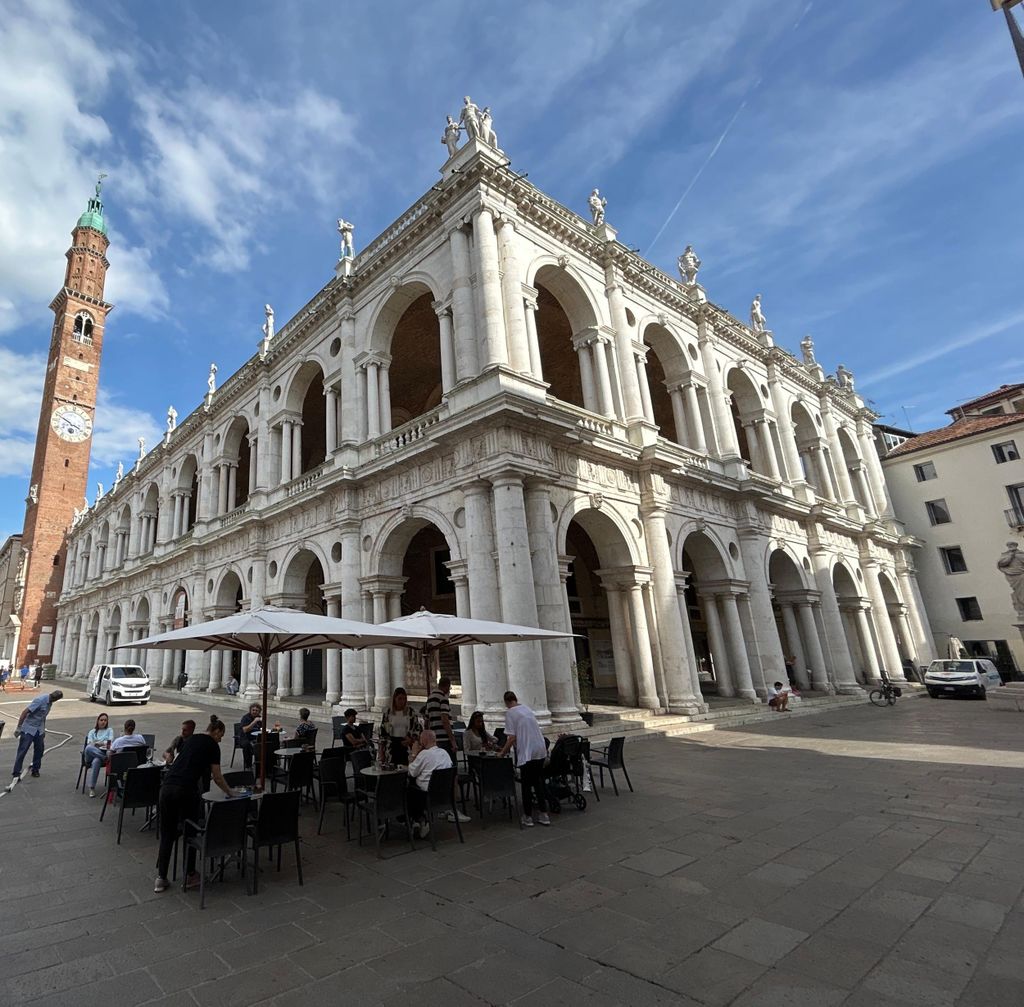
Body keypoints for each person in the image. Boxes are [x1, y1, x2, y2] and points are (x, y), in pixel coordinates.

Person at [153, 716, 237, 894]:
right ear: (215, 731)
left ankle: (160, 878)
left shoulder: (191, 740)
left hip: (167, 787)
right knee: (190, 831)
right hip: (186, 789)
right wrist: (230, 792)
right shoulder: (212, 746)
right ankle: (190, 874)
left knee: (167, 832)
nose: (221, 739)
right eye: (221, 735)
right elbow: (217, 776)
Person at [497, 691, 550, 827]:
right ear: (515, 699)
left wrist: (502, 753)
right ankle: (543, 814)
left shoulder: (510, 713)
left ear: (506, 702)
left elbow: (512, 737)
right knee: (537, 782)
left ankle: (527, 816)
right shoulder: (526, 708)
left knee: (526, 784)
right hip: (540, 748)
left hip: (527, 751)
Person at [406, 729, 454, 838]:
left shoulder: (424, 754)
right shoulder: (444, 752)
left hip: (427, 796)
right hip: (444, 795)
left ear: (423, 741)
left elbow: (411, 772)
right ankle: (419, 820)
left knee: (407, 790)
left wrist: (413, 753)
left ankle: (419, 820)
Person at [10, 689, 63, 780]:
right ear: (52, 696)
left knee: (39, 749)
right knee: (23, 750)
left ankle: (35, 769)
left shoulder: (50, 702)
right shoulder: (40, 700)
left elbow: (43, 717)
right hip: (29, 728)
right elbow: (25, 712)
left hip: (39, 729)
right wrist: (19, 727)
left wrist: (43, 730)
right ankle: (16, 771)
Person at [380, 687, 421, 766]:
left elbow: (417, 729)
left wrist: (411, 740)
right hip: (392, 743)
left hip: (405, 743)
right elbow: (383, 732)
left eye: (404, 699)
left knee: (405, 768)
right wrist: (381, 751)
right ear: (394, 699)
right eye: (400, 699)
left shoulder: (410, 713)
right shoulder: (388, 713)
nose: (402, 701)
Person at [423, 676, 457, 762]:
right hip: (444, 738)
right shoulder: (443, 698)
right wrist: (453, 741)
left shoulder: (430, 698)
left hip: (434, 739)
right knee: (450, 763)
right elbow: (445, 720)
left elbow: (427, 720)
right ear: (447, 686)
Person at [84, 712, 115, 797]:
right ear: (98, 721)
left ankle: (92, 788)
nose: (103, 722)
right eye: (101, 720)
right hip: (90, 754)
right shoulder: (92, 732)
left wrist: (99, 743)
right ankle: (105, 758)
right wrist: (101, 743)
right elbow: (90, 744)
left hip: (100, 755)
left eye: (105, 720)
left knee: (96, 761)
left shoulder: (109, 730)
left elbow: (110, 742)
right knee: (88, 748)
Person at [239, 703, 262, 769]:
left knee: (265, 744)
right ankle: (248, 765)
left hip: (255, 738)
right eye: (253, 710)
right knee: (247, 745)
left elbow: (261, 729)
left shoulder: (260, 718)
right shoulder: (246, 718)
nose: (254, 712)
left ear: (259, 711)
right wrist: (254, 721)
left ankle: (261, 764)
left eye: (256, 710)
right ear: (250, 710)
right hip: (245, 738)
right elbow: (245, 730)